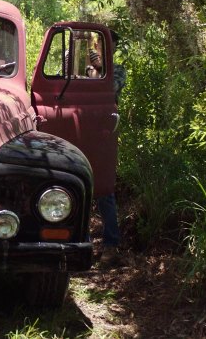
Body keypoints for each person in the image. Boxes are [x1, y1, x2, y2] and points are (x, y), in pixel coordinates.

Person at [98, 30, 126, 266]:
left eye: (109, 45)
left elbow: (111, 90)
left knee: (105, 188)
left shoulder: (118, 70)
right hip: (79, 129)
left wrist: (98, 69)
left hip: (105, 131)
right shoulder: (80, 68)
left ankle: (111, 244)